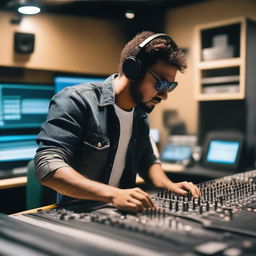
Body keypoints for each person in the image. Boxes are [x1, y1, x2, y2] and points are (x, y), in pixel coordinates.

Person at [35, 31, 201, 212]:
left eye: (170, 86)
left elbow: (147, 161)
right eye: (160, 83)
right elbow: (47, 166)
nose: (164, 95)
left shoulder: (140, 116)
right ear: (133, 69)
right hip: (79, 212)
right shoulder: (76, 100)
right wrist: (113, 195)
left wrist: (170, 185)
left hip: (119, 212)